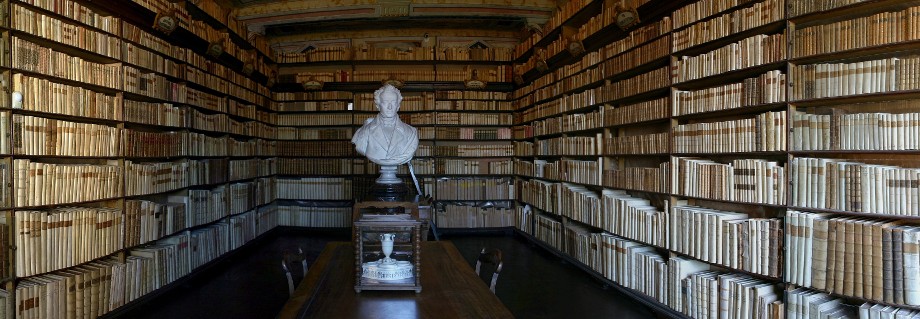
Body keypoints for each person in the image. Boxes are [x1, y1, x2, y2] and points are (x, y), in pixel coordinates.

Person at [351, 84, 419, 166]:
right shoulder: (364, 131)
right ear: (378, 105)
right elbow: (361, 147)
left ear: (398, 106)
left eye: (393, 102)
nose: (389, 107)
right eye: (385, 102)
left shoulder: (411, 132)